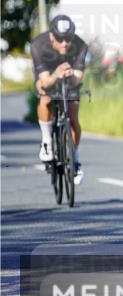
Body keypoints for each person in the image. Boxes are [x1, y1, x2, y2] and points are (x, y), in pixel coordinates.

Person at [31, 15, 88, 184]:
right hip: (47, 74)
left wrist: (71, 75)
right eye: (60, 39)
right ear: (51, 36)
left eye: (68, 39)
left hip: (69, 78)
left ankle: (75, 158)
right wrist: (56, 73)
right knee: (46, 98)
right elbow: (45, 81)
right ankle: (47, 142)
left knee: (73, 114)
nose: (64, 43)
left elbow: (78, 79)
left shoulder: (80, 45)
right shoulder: (38, 45)